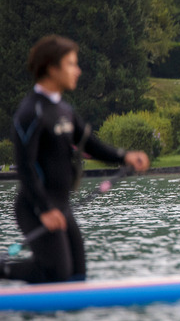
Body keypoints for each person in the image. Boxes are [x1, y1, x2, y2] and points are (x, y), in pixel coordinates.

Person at [4, 35, 150, 284]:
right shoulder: (30, 112)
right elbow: (26, 168)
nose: (78, 71)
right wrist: (45, 209)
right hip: (35, 206)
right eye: (71, 64)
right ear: (51, 68)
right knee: (55, 274)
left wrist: (124, 156)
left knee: (77, 273)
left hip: (60, 205)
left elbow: (90, 144)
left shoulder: (64, 110)